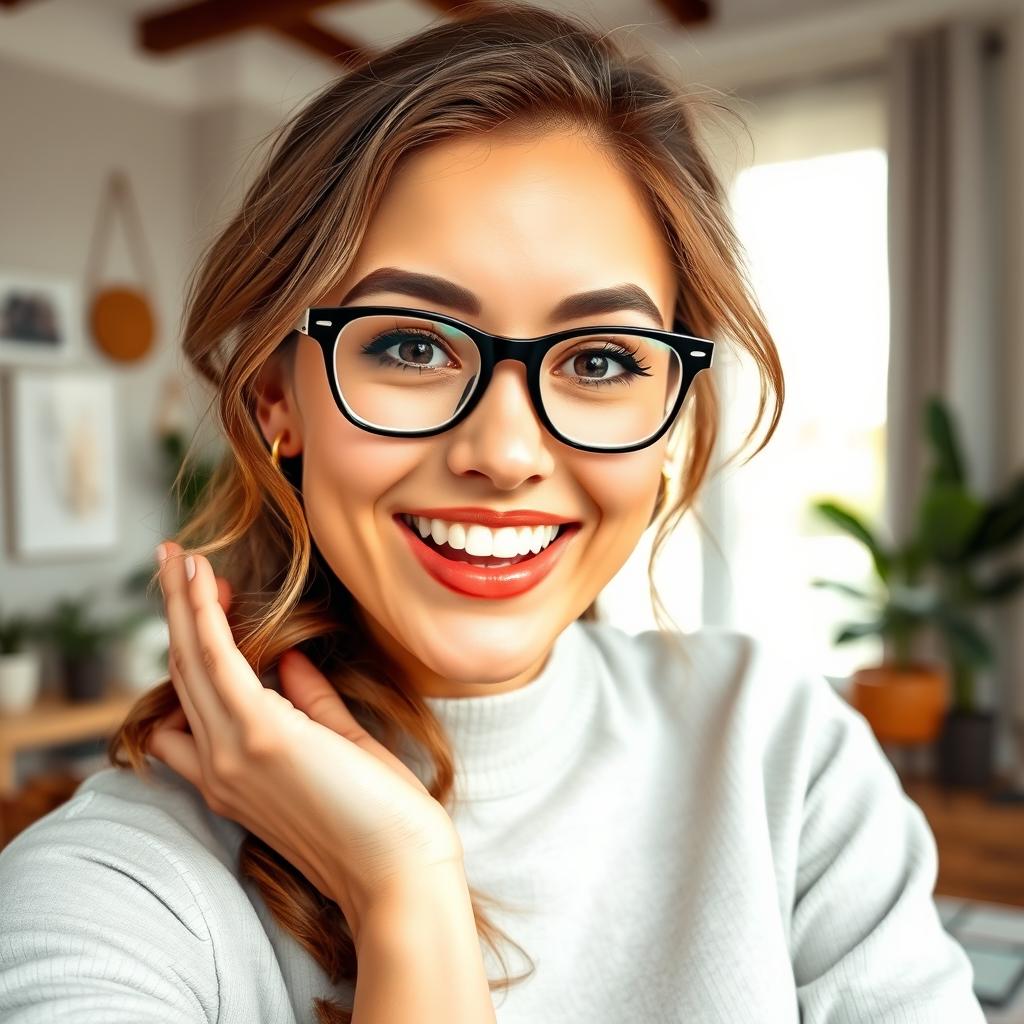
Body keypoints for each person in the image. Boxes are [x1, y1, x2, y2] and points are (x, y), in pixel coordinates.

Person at [0, 3, 985, 1022]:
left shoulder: (781, 756)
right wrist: (406, 895)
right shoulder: (114, 894)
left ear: (668, 417)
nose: (507, 454)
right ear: (276, 399)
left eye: (600, 361)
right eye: (412, 346)